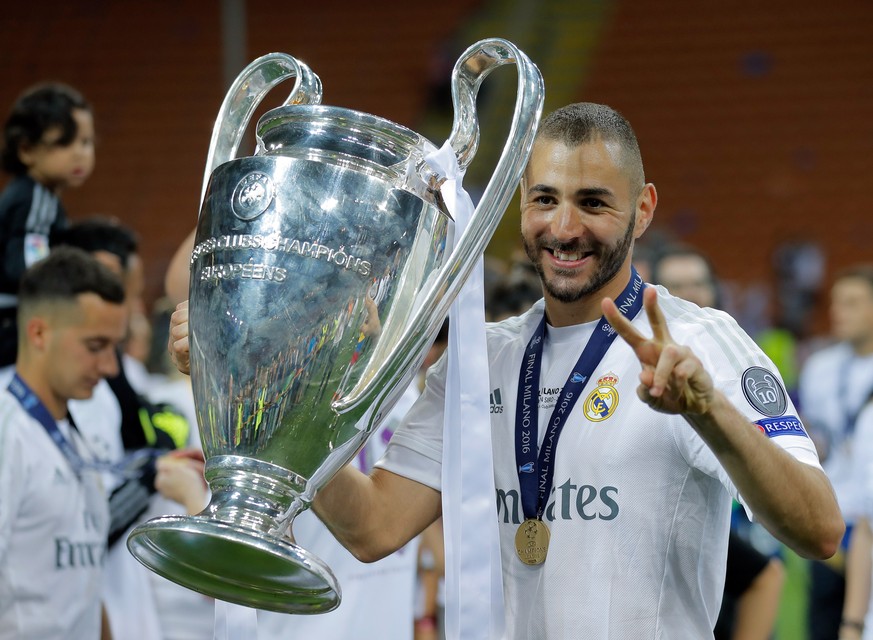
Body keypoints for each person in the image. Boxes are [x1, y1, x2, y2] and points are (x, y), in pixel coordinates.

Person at [169, 102, 843, 638]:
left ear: (642, 210)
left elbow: (817, 531)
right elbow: (373, 528)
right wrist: (268, 389)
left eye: (593, 202)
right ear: (520, 202)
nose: (563, 227)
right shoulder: (479, 362)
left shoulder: (702, 343)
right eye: (545, 198)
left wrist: (708, 411)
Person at [651, 244, 786, 640]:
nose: (690, 294)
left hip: (745, 535)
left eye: (698, 283)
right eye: (676, 285)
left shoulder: (741, 358)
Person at [0, 246, 126, 639]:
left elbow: (81, 584)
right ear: (39, 333)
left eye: (114, 347)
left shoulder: (73, 436)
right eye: (95, 347)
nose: (110, 367)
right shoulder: (7, 432)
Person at [798, 265, 873, 640]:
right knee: (824, 625)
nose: (838, 311)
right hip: (833, 520)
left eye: (853, 302)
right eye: (836, 302)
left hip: (870, 518)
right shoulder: (819, 368)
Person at [0, 82, 95, 367]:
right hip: (10, 328)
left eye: (87, 142)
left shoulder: (38, 197)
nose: (80, 153)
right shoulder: (35, 198)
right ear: (27, 150)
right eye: (64, 143)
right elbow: (33, 271)